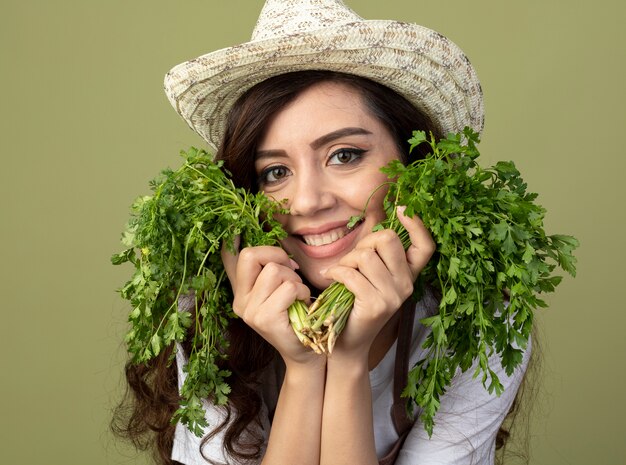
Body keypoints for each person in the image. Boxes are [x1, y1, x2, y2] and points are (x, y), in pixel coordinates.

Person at [113, 1, 531, 464]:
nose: (308, 201)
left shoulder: (483, 320)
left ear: (418, 167)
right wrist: (305, 366)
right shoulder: (205, 320)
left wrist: (348, 362)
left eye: (345, 155)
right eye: (274, 172)